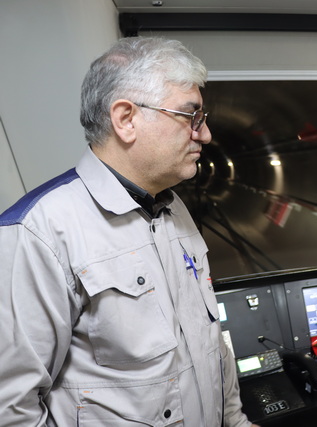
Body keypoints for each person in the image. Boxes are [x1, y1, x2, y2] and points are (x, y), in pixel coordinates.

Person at [0, 37, 258, 426]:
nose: (204, 134)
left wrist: (235, 422)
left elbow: (208, 343)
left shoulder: (173, 208)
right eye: (191, 116)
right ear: (126, 119)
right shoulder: (38, 232)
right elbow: (10, 407)